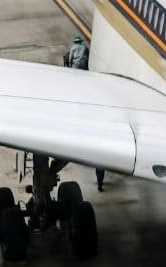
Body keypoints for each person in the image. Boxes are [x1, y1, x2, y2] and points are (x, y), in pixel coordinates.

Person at [62, 37, 105, 192]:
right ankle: (100, 184)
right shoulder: (85, 48)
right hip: (83, 67)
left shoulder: (73, 48)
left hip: (75, 68)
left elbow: (70, 58)